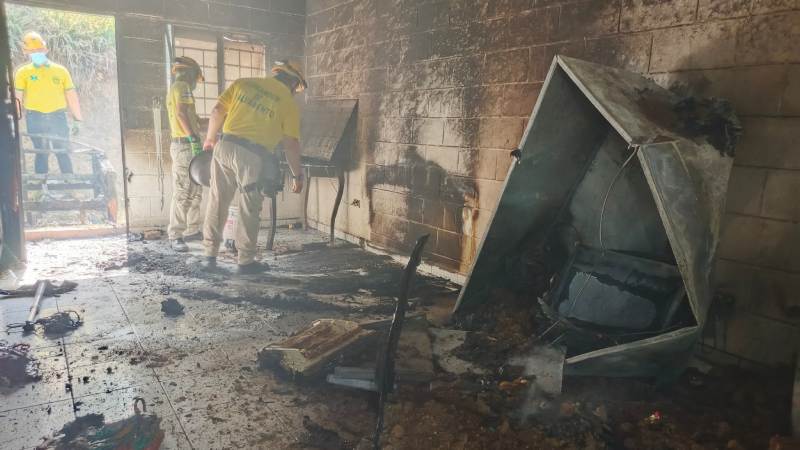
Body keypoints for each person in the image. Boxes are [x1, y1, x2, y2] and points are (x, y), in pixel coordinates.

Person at [202, 60, 307, 274]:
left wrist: (210, 139)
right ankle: (246, 261)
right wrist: (297, 175)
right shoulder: (287, 102)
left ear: (276, 73)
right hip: (251, 156)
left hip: (225, 146)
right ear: (294, 83)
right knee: (249, 208)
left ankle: (209, 256)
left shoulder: (243, 83)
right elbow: (291, 144)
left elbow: (216, 111)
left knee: (217, 201)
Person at [14, 31, 82, 174]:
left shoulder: (60, 71)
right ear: (26, 52)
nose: (36, 53)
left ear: (45, 49)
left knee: (62, 151)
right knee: (41, 153)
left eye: (38, 50)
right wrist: (15, 121)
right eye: (32, 51)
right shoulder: (23, 72)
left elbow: (71, 96)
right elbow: (17, 99)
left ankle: (69, 186)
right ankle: (41, 189)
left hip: (58, 117)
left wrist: (78, 119)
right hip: (35, 117)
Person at [166, 56, 204, 252]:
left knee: (196, 189)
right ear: (190, 74)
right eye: (196, 78)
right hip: (185, 146)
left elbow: (195, 119)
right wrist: (193, 138)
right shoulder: (182, 87)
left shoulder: (178, 89)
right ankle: (175, 235)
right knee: (183, 191)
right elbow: (181, 114)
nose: (195, 82)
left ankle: (193, 229)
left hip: (187, 144)